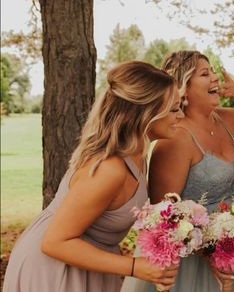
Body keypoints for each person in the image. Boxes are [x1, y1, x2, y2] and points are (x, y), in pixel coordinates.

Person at [3, 61, 183, 292]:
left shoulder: (138, 155)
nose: (180, 115)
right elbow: (54, 242)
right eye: (174, 108)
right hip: (55, 268)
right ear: (146, 111)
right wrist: (135, 266)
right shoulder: (109, 169)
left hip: (93, 264)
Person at [120, 50, 234, 292]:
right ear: (184, 88)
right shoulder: (174, 139)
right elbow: (165, 217)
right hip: (193, 261)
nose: (214, 78)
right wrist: (210, 253)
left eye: (212, 71)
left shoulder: (224, 119)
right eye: (205, 73)